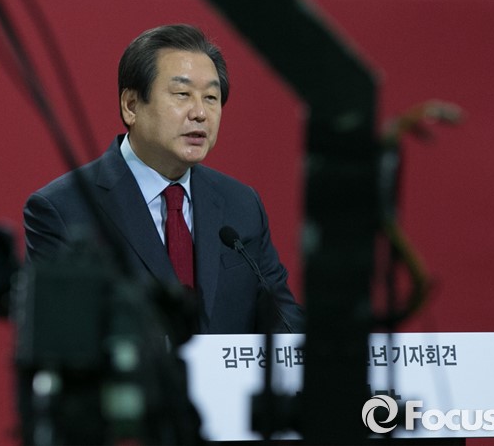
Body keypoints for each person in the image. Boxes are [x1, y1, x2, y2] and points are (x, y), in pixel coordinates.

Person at [23, 24, 304, 334]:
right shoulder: (64, 208)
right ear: (131, 106)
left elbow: (285, 322)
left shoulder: (242, 205)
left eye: (211, 97)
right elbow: (59, 336)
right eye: (182, 94)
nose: (200, 113)